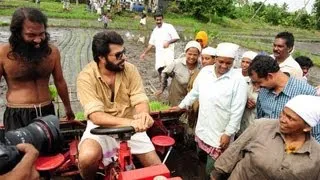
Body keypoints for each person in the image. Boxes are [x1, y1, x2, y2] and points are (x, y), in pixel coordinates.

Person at [77, 31, 161, 179]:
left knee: (158, 170)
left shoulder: (130, 70)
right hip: (100, 129)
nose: (124, 58)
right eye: (118, 55)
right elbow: (96, 116)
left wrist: (143, 115)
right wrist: (132, 123)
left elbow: (139, 98)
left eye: (123, 53)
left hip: (132, 127)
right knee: (86, 158)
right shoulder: (86, 77)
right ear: (101, 58)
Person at [170, 42, 247, 177]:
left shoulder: (238, 79)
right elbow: (195, 92)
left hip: (221, 132)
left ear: (234, 62)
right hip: (204, 126)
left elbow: (238, 110)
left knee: (214, 168)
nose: (224, 66)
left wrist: (228, 133)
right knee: (201, 158)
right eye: (221, 61)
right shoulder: (205, 72)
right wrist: (182, 106)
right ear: (216, 59)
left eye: (228, 63)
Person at [211, 95, 320, 180]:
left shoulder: (316, 155)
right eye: (283, 113)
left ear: (307, 127)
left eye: (290, 118)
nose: (282, 119)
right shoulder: (261, 126)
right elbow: (235, 151)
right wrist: (216, 175)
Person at [0, 7, 74, 132]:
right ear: (17, 33)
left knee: (52, 150)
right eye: (31, 35)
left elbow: (60, 82)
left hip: (47, 111)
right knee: (22, 150)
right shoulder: (3, 53)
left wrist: (68, 109)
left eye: (42, 34)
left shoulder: (52, 52)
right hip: (18, 115)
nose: (38, 40)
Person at [248, 55, 320, 142]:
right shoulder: (263, 91)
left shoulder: (307, 93)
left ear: (270, 76)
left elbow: (316, 134)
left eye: (259, 82)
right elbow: (260, 119)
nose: (258, 87)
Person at [155, 40, 201, 106]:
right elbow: (164, 72)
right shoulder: (177, 63)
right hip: (177, 97)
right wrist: (162, 88)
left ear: (199, 55)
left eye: (195, 55)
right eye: (189, 54)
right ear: (186, 53)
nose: (192, 57)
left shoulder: (200, 67)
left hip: (193, 99)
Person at [140, 12, 180, 79]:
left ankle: (174, 84)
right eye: (157, 20)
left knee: (170, 71)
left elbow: (176, 38)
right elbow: (150, 44)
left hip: (168, 54)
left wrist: (168, 42)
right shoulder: (155, 31)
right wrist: (144, 53)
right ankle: (162, 87)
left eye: (160, 19)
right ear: (155, 20)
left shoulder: (169, 27)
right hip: (159, 55)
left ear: (162, 19)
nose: (159, 21)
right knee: (159, 70)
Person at [236, 51, 258, 136]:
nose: (245, 65)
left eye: (248, 62)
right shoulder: (235, 74)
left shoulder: (254, 79)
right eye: (243, 61)